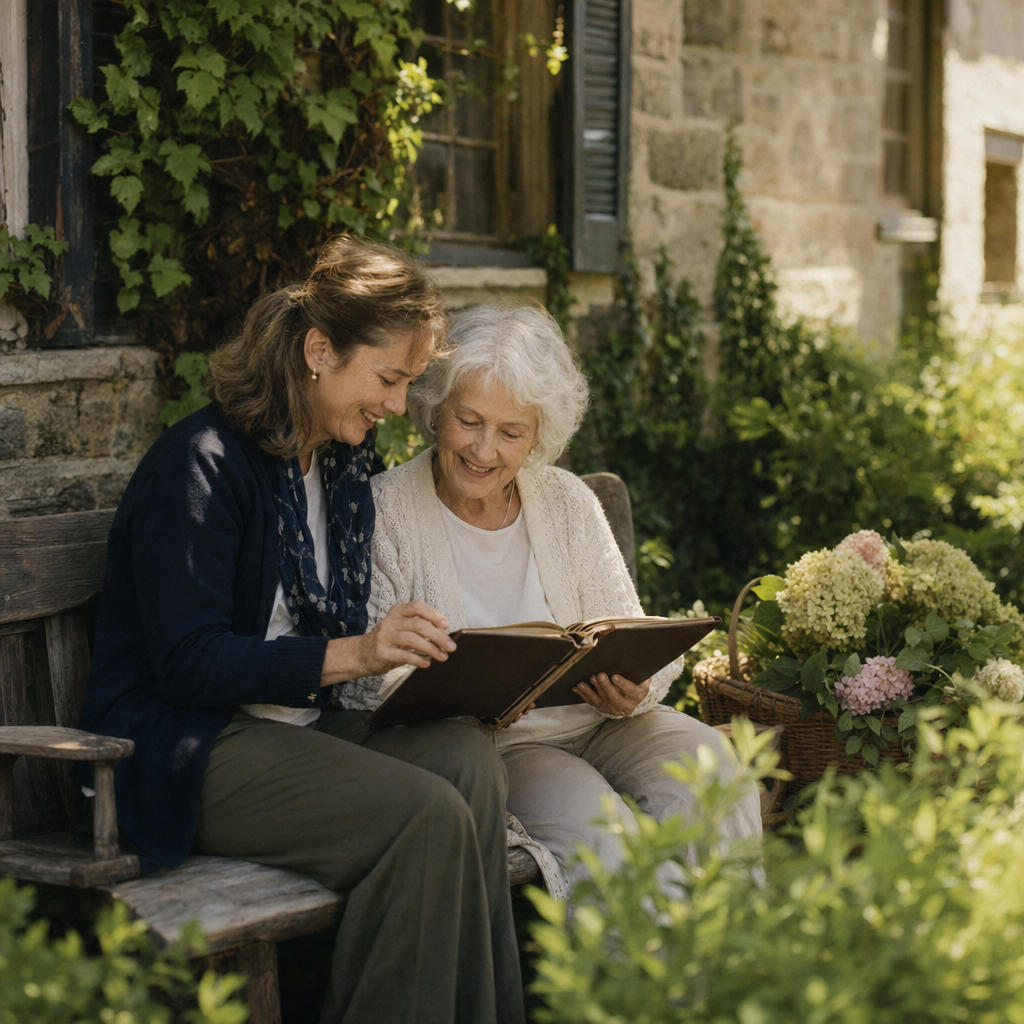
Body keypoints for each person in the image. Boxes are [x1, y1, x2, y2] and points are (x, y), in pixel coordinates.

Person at [78, 238, 525, 1024]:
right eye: (388, 379)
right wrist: (355, 651)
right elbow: (188, 664)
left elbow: (338, 637)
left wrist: (417, 654)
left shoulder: (341, 468)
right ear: (320, 350)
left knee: (466, 757)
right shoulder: (202, 464)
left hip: (293, 730)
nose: (395, 405)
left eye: (409, 383)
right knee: (423, 816)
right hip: (184, 747)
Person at [336, 305, 762, 888]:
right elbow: (367, 686)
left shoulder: (566, 500)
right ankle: (647, 978)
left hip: (609, 721)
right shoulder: (385, 510)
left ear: (538, 437)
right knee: (605, 840)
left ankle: (739, 967)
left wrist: (633, 689)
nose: (484, 450)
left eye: (511, 433)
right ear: (435, 409)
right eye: (469, 420)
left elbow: (631, 631)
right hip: (504, 749)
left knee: (715, 775)